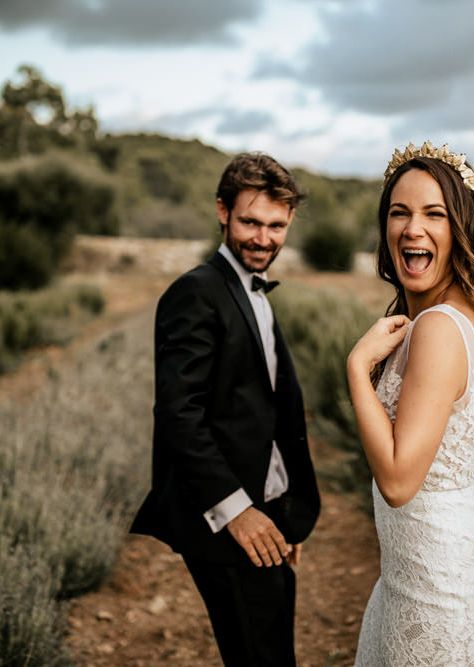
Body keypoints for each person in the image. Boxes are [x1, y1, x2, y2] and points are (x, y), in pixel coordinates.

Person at [131, 152, 320, 666]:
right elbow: (178, 414)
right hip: (229, 518)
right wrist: (240, 514)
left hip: (266, 508)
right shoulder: (196, 293)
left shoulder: (253, 290)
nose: (263, 239)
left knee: (272, 647)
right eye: (250, 222)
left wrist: (283, 510)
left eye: (276, 226)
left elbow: (262, 411)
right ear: (222, 211)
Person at [348, 141, 474, 665]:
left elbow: (400, 482)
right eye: (399, 213)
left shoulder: (440, 329)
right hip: (422, 573)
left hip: (440, 590)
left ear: (460, 230)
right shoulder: (453, 316)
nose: (412, 228)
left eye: (434, 214)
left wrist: (357, 369)